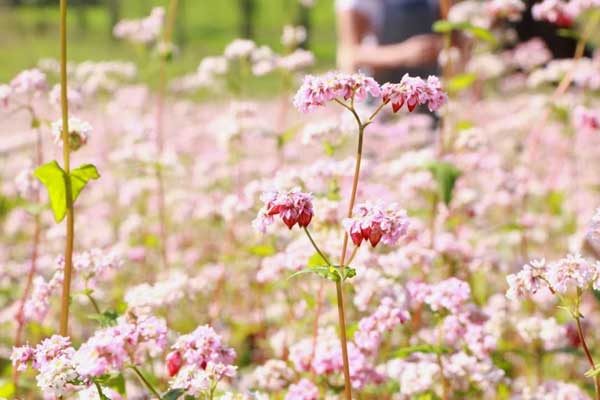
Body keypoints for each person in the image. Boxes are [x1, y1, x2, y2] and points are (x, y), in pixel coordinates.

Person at [336, 0, 443, 82]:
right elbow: (349, 53)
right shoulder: (356, 3)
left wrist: (437, 46)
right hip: (378, 94)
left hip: (431, 87)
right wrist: (404, 54)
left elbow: (452, 36)